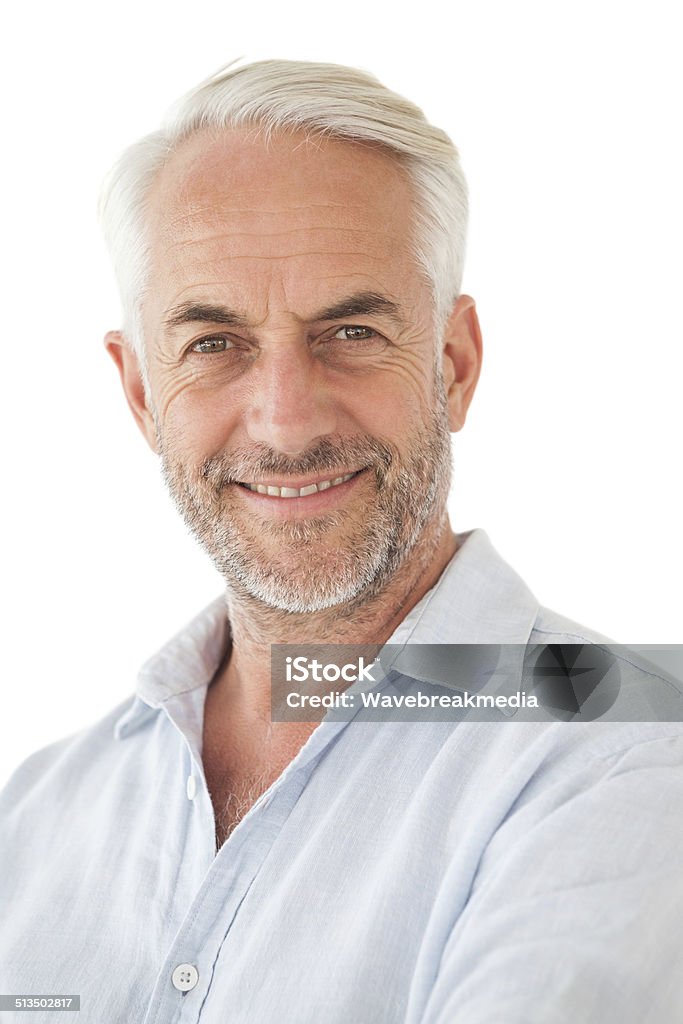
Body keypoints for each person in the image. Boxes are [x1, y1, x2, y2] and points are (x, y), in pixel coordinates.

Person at [1, 59, 682, 1024]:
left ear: (453, 365)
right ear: (142, 393)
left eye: (351, 331)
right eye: (213, 343)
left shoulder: (630, 751)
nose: (284, 422)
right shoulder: (36, 814)